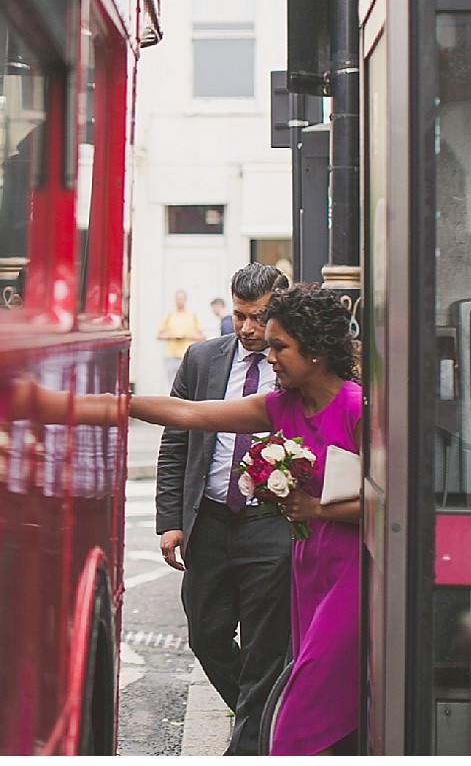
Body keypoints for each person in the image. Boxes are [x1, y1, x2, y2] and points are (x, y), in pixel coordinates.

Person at [16, 283, 361, 755]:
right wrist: (62, 406)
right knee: (309, 695)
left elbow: (396, 502)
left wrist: (318, 509)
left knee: (303, 705)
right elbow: (189, 413)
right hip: (310, 568)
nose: (269, 354)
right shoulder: (283, 407)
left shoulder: (359, 409)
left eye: (280, 346)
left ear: (317, 352)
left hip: (348, 576)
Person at [156, 263, 290, 755]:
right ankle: (266, 721)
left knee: (264, 647)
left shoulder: (294, 364)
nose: (248, 328)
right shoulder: (201, 359)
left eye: (258, 317)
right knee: (207, 636)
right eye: (239, 316)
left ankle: (250, 746)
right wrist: (171, 521)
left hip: (269, 524)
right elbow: (175, 444)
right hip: (208, 523)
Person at [156, 289, 204, 384]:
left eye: (181, 299)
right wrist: (174, 336)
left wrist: (186, 336)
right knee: (172, 384)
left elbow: (201, 337)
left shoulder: (192, 316)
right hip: (171, 356)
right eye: (178, 299)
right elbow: (159, 335)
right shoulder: (170, 316)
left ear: (185, 300)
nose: (180, 301)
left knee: (188, 384)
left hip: (186, 356)